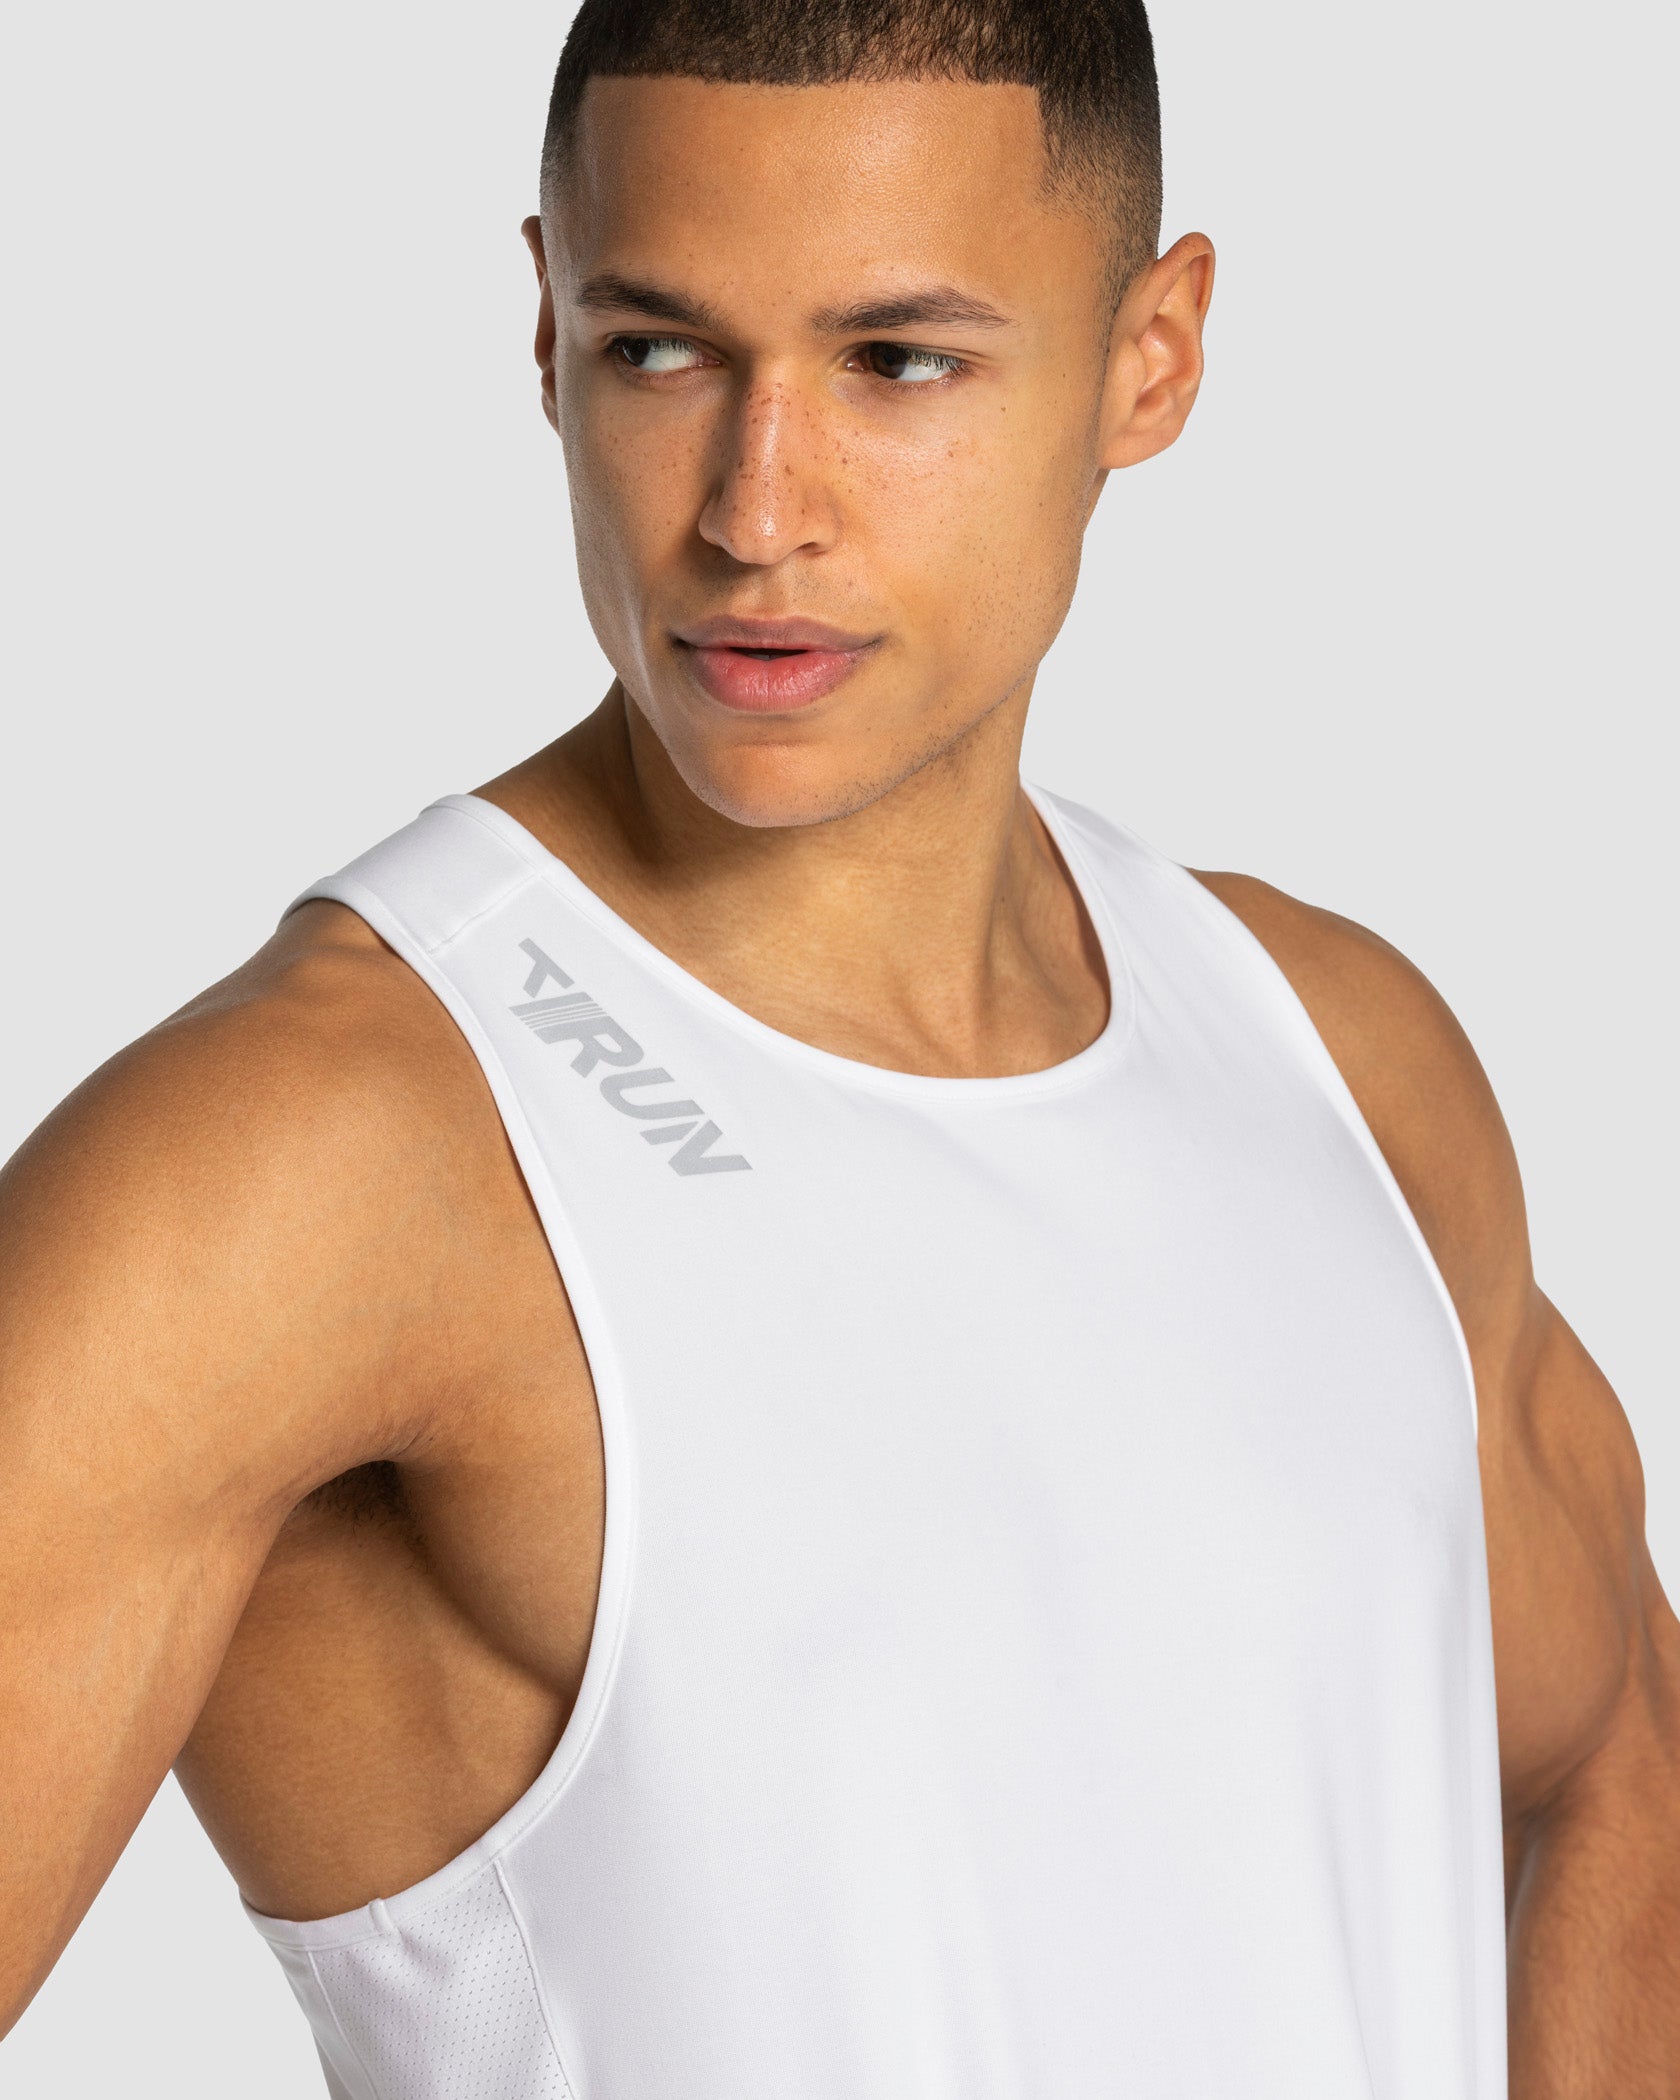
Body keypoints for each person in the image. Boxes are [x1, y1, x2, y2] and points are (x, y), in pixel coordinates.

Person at [2, 0, 1676, 2092]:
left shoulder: (1341, 1059)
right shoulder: (312, 1151)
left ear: (1150, 357)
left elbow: (1613, 1757)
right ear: (546, 332)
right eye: (659, 351)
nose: (754, 509)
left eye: (896, 362)